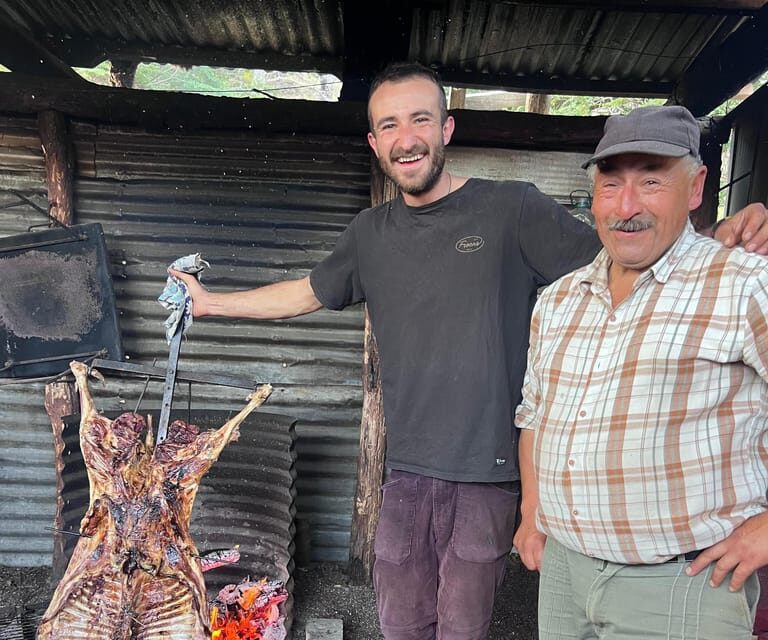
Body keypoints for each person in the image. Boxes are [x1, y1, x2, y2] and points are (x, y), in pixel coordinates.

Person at [171, 63, 768, 640]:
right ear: (375, 142)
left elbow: (619, 249)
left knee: (462, 630)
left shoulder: (512, 208)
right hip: (405, 473)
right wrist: (211, 304)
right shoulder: (368, 235)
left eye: (421, 120)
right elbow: (304, 293)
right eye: (390, 126)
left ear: (447, 128)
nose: (407, 139)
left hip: (489, 473)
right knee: (400, 626)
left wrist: (714, 237)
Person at [514, 104, 768, 640]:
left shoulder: (743, 284)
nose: (626, 207)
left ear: (695, 187)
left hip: (683, 581)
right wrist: (533, 511)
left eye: (651, 181)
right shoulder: (559, 299)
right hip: (564, 574)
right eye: (611, 185)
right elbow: (536, 413)